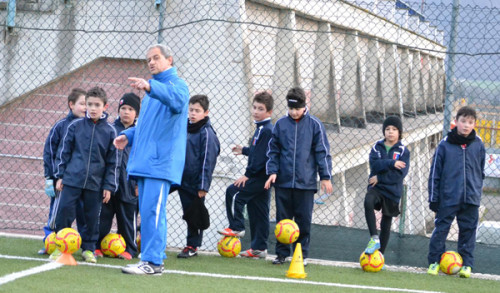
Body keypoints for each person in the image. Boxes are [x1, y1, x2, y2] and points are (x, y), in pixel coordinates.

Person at [115, 44, 189, 275]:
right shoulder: (151, 92)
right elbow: (146, 127)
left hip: (160, 164)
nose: (151, 62)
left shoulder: (177, 86)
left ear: (170, 59)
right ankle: (149, 259)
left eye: (156, 58)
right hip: (147, 164)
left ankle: (154, 262)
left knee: (154, 212)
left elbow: (176, 101)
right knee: (148, 212)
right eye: (148, 59)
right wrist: (128, 135)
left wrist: (150, 86)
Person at [264, 87, 333, 266]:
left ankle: (300, 254)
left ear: (305, 106)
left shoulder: (315, 125)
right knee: (283, 220)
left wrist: (325, 177)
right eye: (291, 108)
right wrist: (272, 172)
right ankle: (281, 254)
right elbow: (273, 151)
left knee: (304, 222)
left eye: (297, 109)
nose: (294, 112)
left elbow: (322, 152)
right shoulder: (280, 125)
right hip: (283, 183)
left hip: (306, 184)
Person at [52, 86, 118, 263]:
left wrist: (108, 186)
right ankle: (60, 247)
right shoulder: (75, 126)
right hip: (72, 180)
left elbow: (113, 163)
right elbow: (64, 152)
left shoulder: (111, 131)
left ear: (105, 106)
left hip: (95, 184)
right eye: (90, 104)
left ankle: (88, 248)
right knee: (64, 212)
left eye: (97, 105)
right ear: (86, 106)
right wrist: (60, 176)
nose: (93, 108)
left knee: (91, 217)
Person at [427, 106, 486, 278]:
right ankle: (434, 262)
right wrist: (434, 198)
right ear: (456, 122)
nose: (466, 126)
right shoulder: (444, 145)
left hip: (471, 198)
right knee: (441, 229)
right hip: (448, 197)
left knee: (468, 231)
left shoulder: (479, 144)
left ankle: (466, 264)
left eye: (470, 122)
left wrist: (475, 191)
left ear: (474, 124)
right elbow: (435, 173)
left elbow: (480, 171)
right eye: (463, 121)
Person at [218, 92, 274, 259]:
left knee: (233, 192)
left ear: (269, 112)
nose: (256, 111)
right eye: (255, 107)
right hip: (261, 177)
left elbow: (262, 158)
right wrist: (244, 150)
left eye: (261, 109)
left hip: (260, 177)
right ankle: (259, 248)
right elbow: (257, 152)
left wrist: (248, 175)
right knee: (258, 210)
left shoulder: (266, 131)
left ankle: (236, 227)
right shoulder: (260, 129)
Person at [41, 88, 87, 255]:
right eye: (82, 103)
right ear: (71, 104)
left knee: (83, 213)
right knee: (58, 212)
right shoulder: (61, 126)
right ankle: (51, 241)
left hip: (83, 181)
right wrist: (50, 177)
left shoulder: (89, 127)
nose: (85, 107)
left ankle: (86, 247)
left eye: (87, 104)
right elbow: (50, 153)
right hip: (63, 181)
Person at [95, 93, 141, 260]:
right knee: (103, 217)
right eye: (123, 108)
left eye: (130, 109)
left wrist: (138, 184)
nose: (126, 112)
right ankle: (97, 245)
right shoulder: (110, 129)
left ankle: (129, 248)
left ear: (137, 113)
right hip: (109, 184)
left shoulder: (140, 133)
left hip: (129, 184)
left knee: (127, 218)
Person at [175, 95, 220, 258]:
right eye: (191, 110)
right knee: (157, 196)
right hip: (178, 177)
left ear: (206, 112)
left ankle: (192, 246)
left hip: (194, 183)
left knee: (193, 213)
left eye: (197, 111)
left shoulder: (206, 133)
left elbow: (208, 162)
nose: (193, 114)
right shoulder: (185, 128)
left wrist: (203, 186)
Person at [363, 116, 410, 259]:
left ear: (399, 132)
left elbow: (399, 175)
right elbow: (375, 165)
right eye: (388, 129)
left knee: (386, 223)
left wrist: (381, 177)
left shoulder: (403, 151)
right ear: (384, 131)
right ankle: (374, 238)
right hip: (376, 188)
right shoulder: (377, 147)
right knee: (368, 201)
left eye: (394, 129)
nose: (390, 132)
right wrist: (390, 163)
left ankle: (380, 256)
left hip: (392, 192)